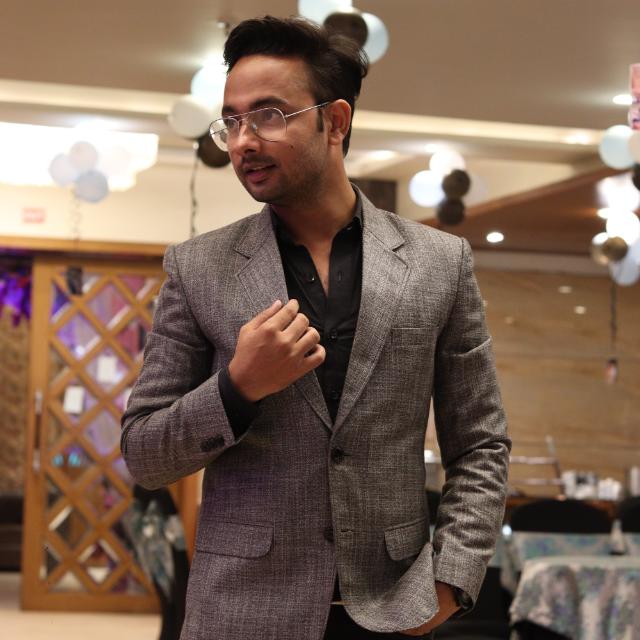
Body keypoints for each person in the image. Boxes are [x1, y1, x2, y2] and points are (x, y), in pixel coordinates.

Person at [121, 15, 510, 640]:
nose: (243, 141)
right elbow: (145, 455)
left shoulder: (440, 263)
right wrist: (237, 387)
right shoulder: (198, 268)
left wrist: (450, 581)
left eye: (268, 115)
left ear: (336, 121)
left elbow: (481, 443)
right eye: (232, 121)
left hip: (394, 610)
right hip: (241, 614)